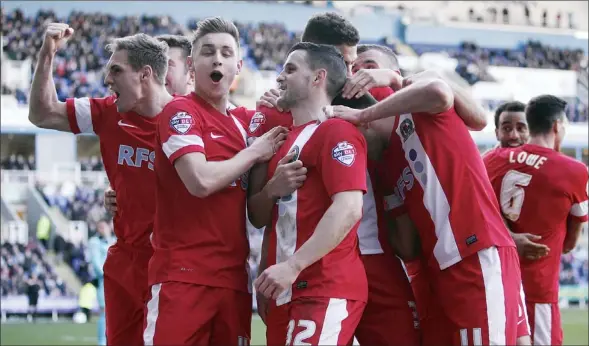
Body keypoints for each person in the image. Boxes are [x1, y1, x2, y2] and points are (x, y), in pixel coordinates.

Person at [328, 69, 529, 345]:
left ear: (364, 125)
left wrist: (372, 103)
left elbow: (439, 92)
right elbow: (407, 246)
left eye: (354, 141)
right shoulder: (384, 166)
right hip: (440, 271)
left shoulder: (413, 110)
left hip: (476, 254)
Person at [28, 23, 173, 345]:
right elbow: (41, 114)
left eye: (116, 71)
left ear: (144, 74)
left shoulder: (187, 121)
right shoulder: (107, 113)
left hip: (170, 263)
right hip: (125, 260)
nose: (107, 80)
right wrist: (47, 54)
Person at [143, 17, 284, 345]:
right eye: (208, 52)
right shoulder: (180, 113)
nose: (217, 59)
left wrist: (284, 100)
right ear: (192, 65)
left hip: (234, 282)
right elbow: (200, 181)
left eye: (225, 52)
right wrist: (254, 153)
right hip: (183, 278)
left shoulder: (247, 123)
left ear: (239, 65)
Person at [254, 42, 367, 346]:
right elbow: (260, 217)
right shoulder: (279, 139)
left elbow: (349, 208)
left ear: (318, 78)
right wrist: (270, 190)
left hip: (323, 286)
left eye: (290, 69)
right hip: (283, 290)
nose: (280, 77)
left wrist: (292, 266)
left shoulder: (336, 131)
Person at [484, 95, 588, 346]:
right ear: (557, 126)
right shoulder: (573, 170)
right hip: (538, 288)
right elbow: (570, 243)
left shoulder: (490, 160)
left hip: (495, 283)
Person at [88, 219, 115, 346]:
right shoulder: (95, 242)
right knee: (105, 312)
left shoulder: (114, 240)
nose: (102, 229)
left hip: (117, 282)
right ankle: (102, 342)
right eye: (100, 227)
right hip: (104, 280)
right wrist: (107, 274)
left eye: (104, 227)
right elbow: (96, 262)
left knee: (117, 313)